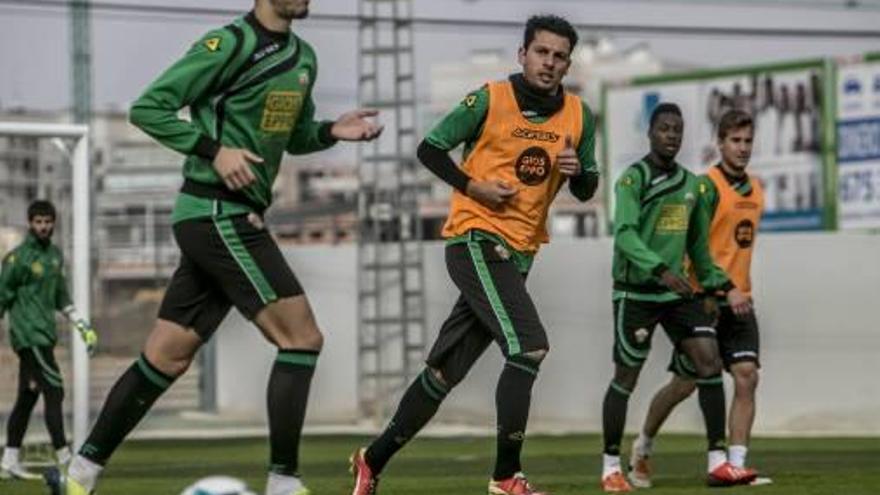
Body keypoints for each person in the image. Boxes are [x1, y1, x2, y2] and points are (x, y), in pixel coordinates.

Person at [64, 1, 382, 494]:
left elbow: (294, 137)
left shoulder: (303, 58)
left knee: (167, 357)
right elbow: (148, 108)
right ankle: (283, 483)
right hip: (218, 212)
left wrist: (331, 131)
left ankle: (78, 474)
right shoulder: (230, 44)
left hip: (222, 219)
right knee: (301, 338)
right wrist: (214, 151)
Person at [349, 14, 599, 495]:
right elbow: (430, 149)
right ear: (522, 54)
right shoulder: (489, 99)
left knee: (443, 374)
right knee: (529, 346)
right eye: (541, 52)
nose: (549, 62)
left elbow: (587, 188)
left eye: (559, 56)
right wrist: (475, 187)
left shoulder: (579, 117)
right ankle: (506, 477)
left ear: (568, 64)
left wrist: (578, 171)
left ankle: (371, 461)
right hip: (476, 240)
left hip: (520, 254)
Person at [599, 103, 758, 492]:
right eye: (664, 128)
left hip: (676, 295)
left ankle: (718, 461)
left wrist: (722, 284)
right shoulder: (632, 180)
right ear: (651, 133)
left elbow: (700, 250)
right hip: (636, 291)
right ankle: (610, 466)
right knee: (626, 377)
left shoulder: (693, 186)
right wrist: (661, 270)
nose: (671, 135)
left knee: (708, 359)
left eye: (677, 130)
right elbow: (625, 234)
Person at [0, 200, 97, 480]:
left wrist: (82, 326)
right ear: (30, 223)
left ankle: (9, 460)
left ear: (54, 222)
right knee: (54, 390)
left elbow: (61, 297)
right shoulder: (18, 259)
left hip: (45, 335)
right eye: (38, 221)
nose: (43, 226)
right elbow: (2, 295)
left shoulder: (54, 255)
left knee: (27, 398)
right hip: (29, 336)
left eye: (47, 221)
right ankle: (67, 461)